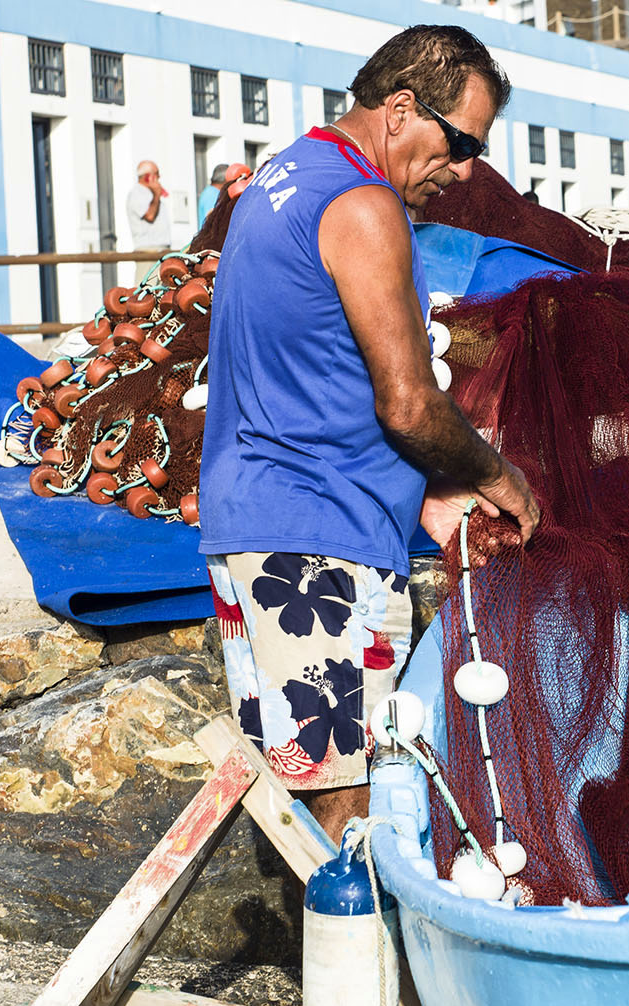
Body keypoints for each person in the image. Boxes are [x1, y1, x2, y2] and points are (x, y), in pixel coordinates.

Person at [199, 25, 542, 842]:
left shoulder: (290, 172)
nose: (464, 171)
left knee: (310, 791)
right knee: (346, 804)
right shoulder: (363, 205)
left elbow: (313, 367)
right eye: (460, 142)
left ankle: (332, 961)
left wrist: (423, 485)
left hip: (260, 520)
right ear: (399, 109)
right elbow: (409, 404)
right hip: (317, 539)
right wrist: (497, 477)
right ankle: (355, 971)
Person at [126, 160, 172, 277]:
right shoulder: (137, 194)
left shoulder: (148, 193)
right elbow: (150, 216)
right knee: (146, 288)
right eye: (156, 173)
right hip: (148, 251)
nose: (159, 177)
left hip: (160, 249)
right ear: (148, 177)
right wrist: (156, 194)